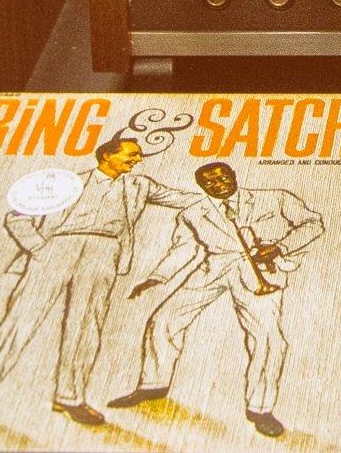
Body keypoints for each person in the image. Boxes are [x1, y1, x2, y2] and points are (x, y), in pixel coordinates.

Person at [0, 135, 195, 433]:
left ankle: (70, 398)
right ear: (106, 156)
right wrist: (38, 248)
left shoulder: (140, 185)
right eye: (132, 154)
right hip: (57, 249)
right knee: (18, 324)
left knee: (86, 327)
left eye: (138, 155)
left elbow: (186, 197)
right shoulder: (65, 183)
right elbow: (17, 216)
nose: (138, 160)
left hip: (104, 253)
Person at [109, 162, 325, 440]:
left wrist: (281, 247)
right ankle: (153, 384)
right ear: (201, 187)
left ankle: (260, 408)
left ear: (234, 175)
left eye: (223, 178)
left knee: (268, 337)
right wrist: (156, 277)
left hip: (259, 270)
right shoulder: (192, 213)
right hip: (214, 267)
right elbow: (183, 249)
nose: (219, 185)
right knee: (163, 320)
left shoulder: (275, 197)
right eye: (210, 183)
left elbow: (313, 223)